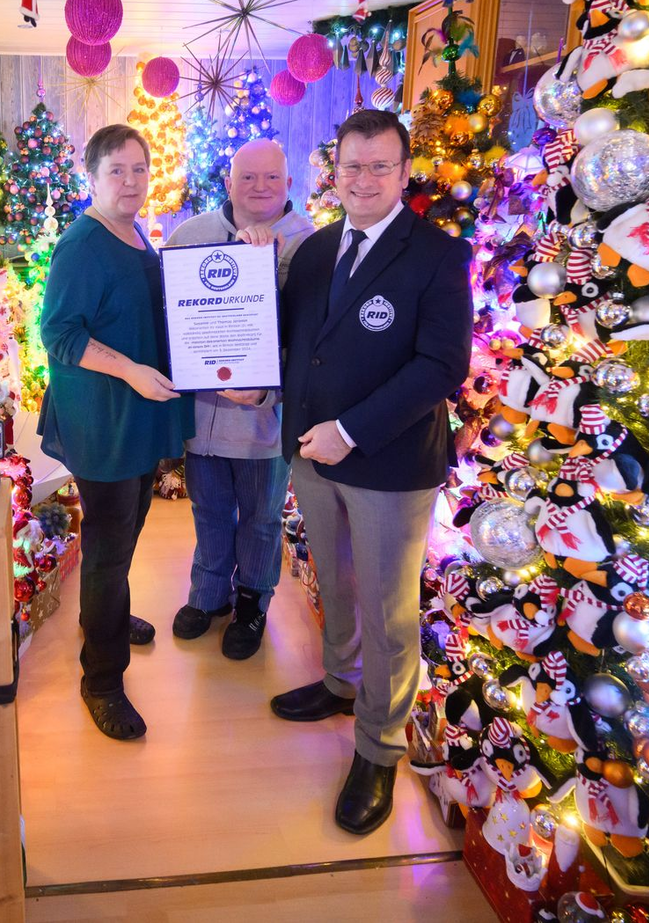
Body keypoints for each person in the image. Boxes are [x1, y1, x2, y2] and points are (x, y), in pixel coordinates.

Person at [274, 108, 472, 836]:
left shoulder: (437, 255)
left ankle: (378, 745)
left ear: (404, 171)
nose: (362, 179)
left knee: (390, 614)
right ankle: (338, 680)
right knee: (339, 578)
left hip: (387, 460)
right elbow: (298, 344)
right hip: (312, 453)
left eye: (378, 166)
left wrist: (350, 430)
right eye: (351, 166)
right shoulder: (319, 249)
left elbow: (443, 366)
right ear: (335, 169)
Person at [39, 124, 193, 741]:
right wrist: (131, 371)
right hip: (101, 418)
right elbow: (61, 335)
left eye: (139, 169)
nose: (131, 182)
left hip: (137, 413)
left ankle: (102, 615)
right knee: (107, 546)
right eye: (116, 172)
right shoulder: (82, 244)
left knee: (126, 531)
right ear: (92, 177)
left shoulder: (133, 233)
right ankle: (101, 679)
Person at [164, 139, 312, 658]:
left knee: (261, 518)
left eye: (272, 177)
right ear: (228, 181)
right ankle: (208, 596)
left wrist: (271, 390)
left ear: (289, 183)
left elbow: (313, 342)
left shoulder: (309, 244)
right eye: (247, 177)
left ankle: (252, 603)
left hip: (264, 422)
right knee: (208, 510)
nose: (260, 187)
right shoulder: (191, 235)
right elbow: (172, 318)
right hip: (202, 416)